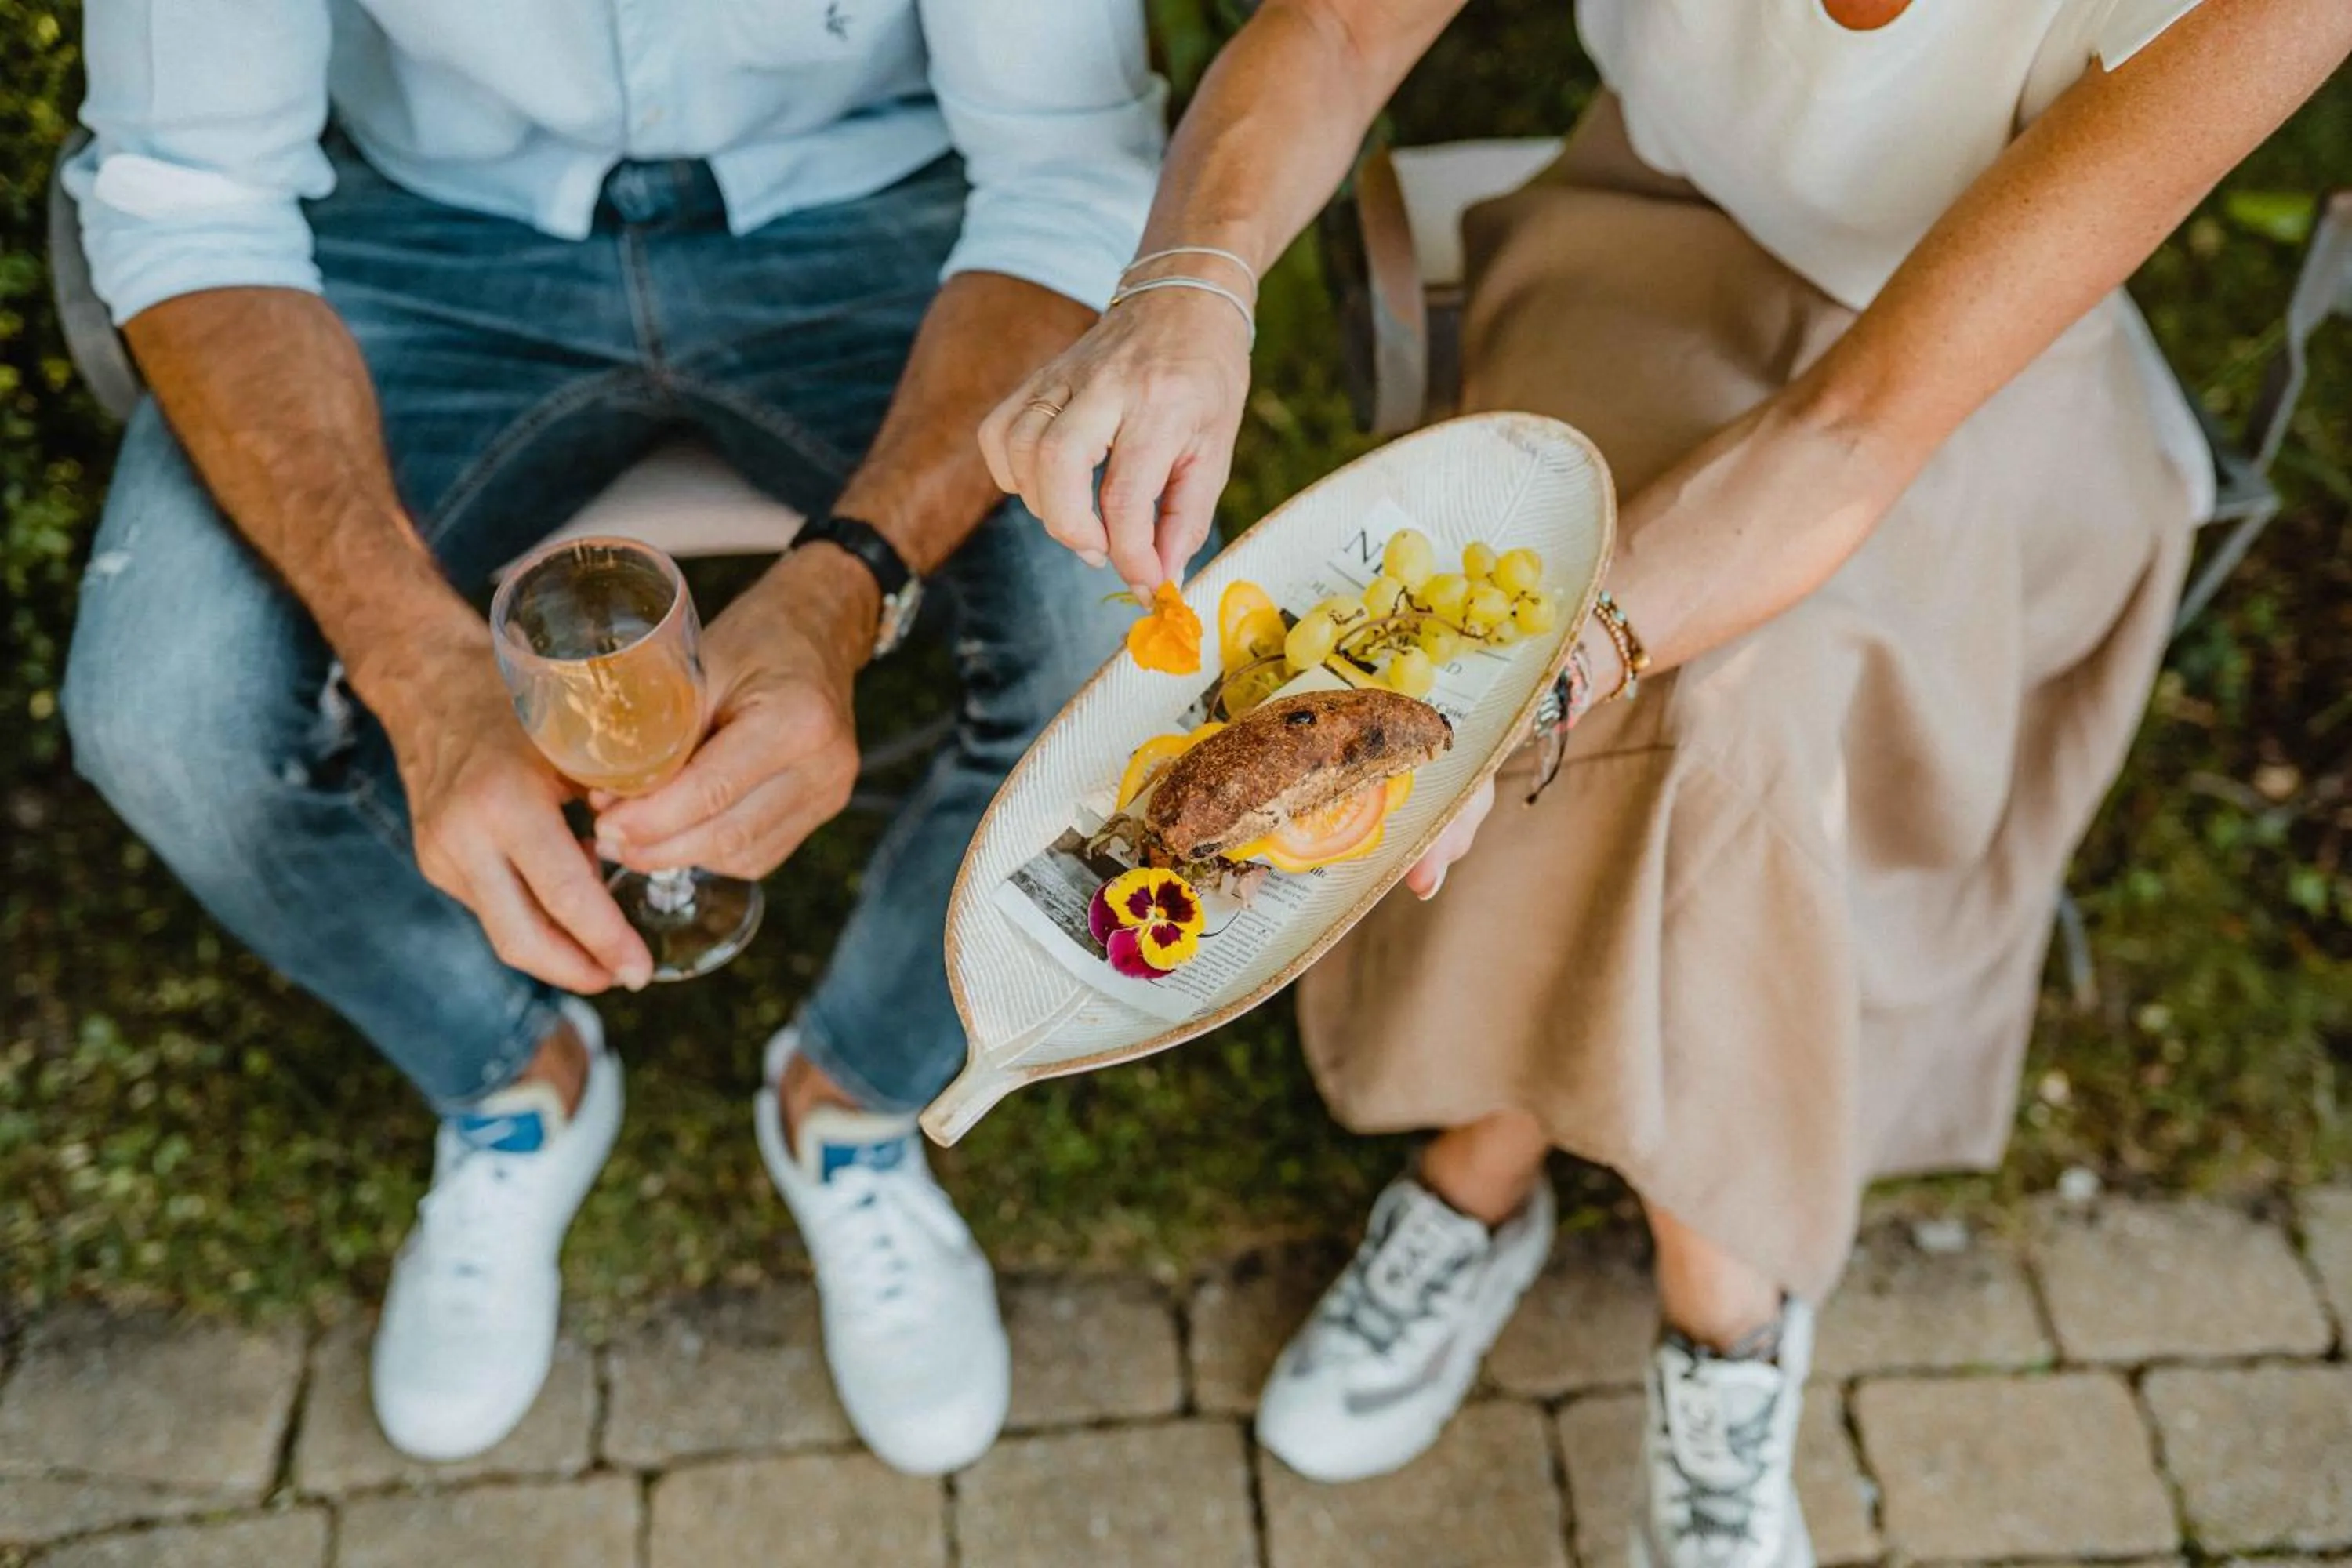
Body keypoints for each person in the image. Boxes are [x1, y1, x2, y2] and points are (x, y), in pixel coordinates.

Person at [983, 0, 2350, 1556]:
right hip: (1657, 225)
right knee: (1686, 726)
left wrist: (1547, 673)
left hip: (1979, 346)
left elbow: (1849, 433)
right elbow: (1340, 31)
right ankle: (1716, 1311)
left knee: (1718, 718)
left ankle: (1554, 1199)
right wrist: (1188, 285)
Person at [62, 1, 1163, 1474]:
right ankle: (513, 1078)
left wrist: (847, 590)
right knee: (163, 713)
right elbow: (191, 197)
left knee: (1120, 669)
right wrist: (412, 662)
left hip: (898, 219)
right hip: (419, 237)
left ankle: (856, 1098)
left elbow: (1070, 169)